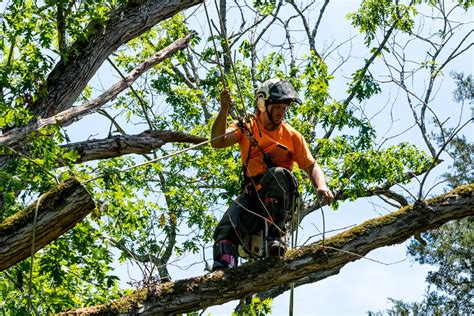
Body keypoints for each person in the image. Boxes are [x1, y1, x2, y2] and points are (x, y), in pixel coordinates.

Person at [210, 78, 334, 271]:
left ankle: (276, 238)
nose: (281, 112)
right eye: (277, 107)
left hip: (279, 197)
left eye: (284, 108)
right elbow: (217, 141)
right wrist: (224, 109)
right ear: (262, 104)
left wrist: (321, 186)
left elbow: (311, 165)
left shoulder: (292, 135)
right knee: (226, 227)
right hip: (254, 195)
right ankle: (224, 267)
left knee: (275, 174)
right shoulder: (247, 126)